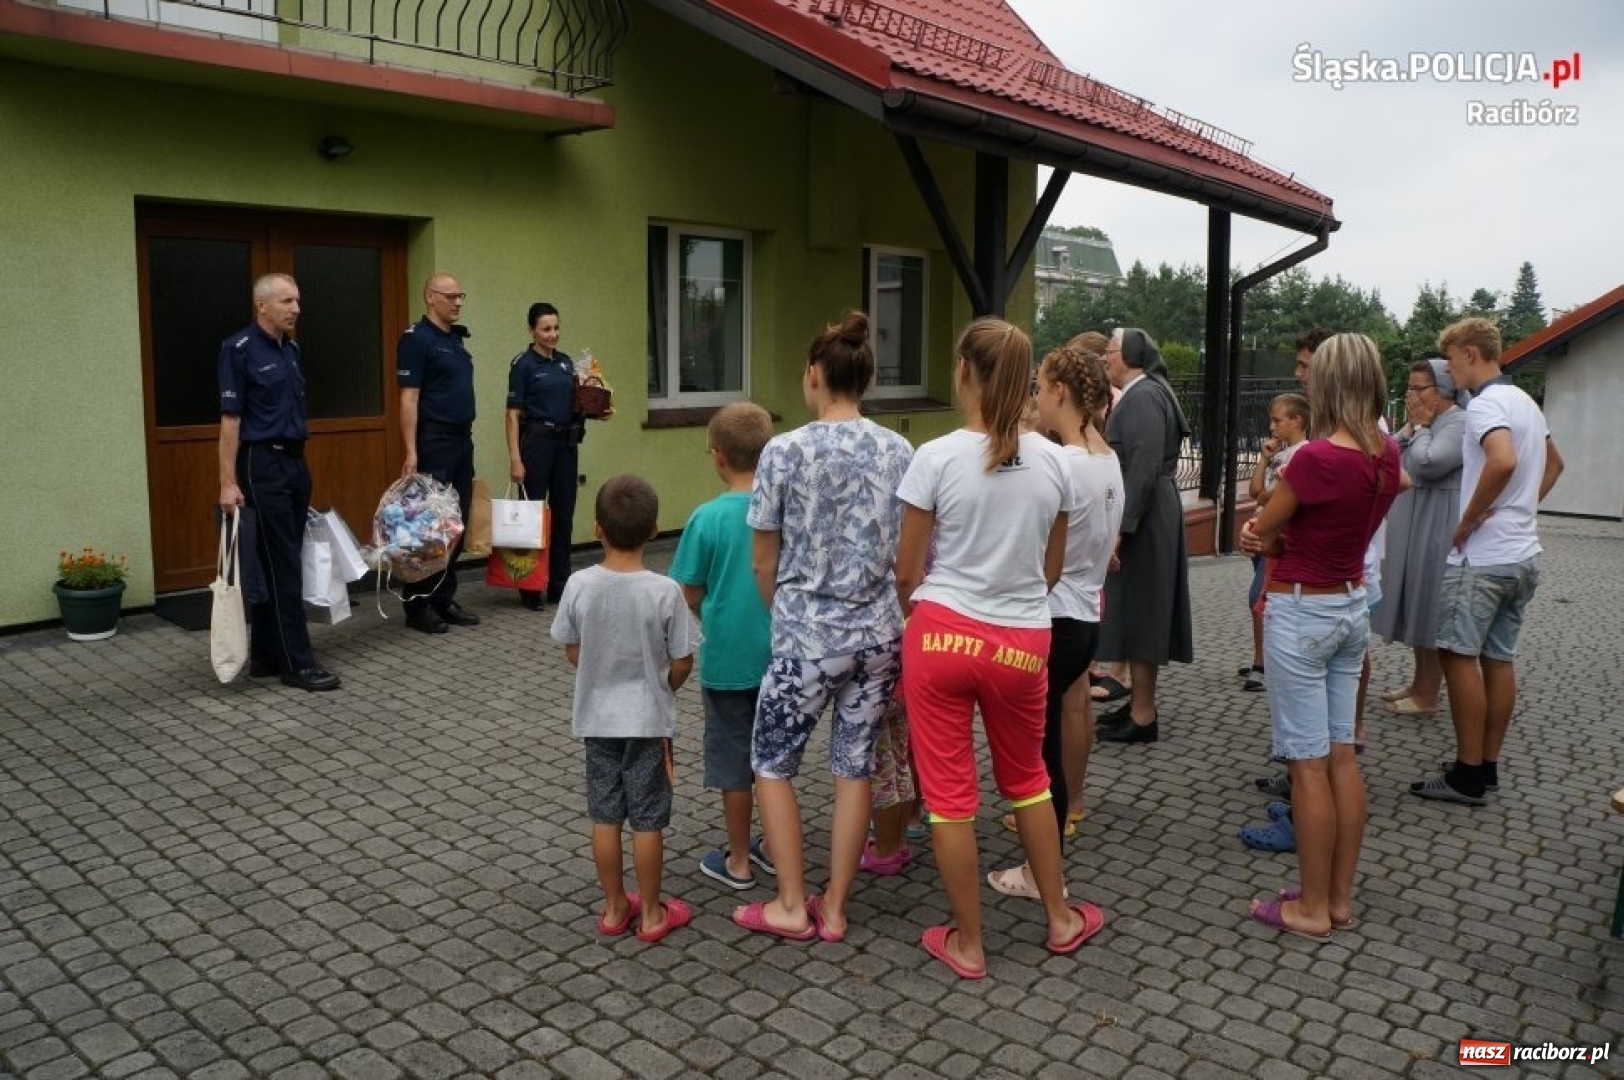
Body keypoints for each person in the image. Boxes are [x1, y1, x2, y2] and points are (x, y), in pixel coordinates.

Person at [897, 318, 1102, 980]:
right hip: (1022, 640)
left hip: (942, 637)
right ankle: (1061, 919)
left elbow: (906, 571)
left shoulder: (932, 458)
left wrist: (931, 614)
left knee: (950, 798)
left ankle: (969, 943)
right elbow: (1051, 570)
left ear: (963, 372)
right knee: (1030, 785)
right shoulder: (1057, 463)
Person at [732, 311, 913, 944]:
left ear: (814, 375)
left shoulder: (783, 450)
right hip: (879, 636)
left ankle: (789, 901)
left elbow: (763, 557)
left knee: (772, 762)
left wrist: (783, 614)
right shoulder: (900, 450)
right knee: (853, 765)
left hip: (808, 639)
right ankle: (834, 906)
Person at [1238, 333, 1405, 940]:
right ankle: (1335, 898)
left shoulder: (1314, 459)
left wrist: (1261, 536)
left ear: (1329, 383)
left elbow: (1266, 528)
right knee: (1342, 756)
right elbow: (1388, 495)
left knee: (1307, 766)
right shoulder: (1385, 453)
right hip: (1350, 606)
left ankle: (1308, 909)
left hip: (1302, 611)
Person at [987, 345, 1122, 901]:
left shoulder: (1060, 462)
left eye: (1040, 388)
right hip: (1085, 613)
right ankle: (1046, 862)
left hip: (1054, 617)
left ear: (1060, 392)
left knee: (1038, 758)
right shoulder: (1106, 457)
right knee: (1045, 751)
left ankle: (1044, 872)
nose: (1036, 399)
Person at [1411, 318, 1563, 806]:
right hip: (1522, 554)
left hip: (1482, 558)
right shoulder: (1525, 403)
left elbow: (1501, 461)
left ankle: (1468, 773)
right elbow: (1555, 463)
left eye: (1451, 358)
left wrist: (1469, 519)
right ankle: (1487, 765)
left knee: (1457, 656)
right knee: (1498, 659)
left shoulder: (1485, 405)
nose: (1449, 368)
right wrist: (1522, 510)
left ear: (1471, 354)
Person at [551, 474, 696, 942]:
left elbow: (573, 650)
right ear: (655, 530)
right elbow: (682, 660)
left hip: (597, 719)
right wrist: (663, 686)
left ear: (596, 528)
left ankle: (615, 908)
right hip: (649, 721)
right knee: (648, 818)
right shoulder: (664, 590)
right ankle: (652, 913)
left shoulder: (578, 584)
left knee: (605, 814)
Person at [216, 273, 340, 693]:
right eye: (287, 301)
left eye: (298, 300)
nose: (296, 308)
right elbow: (230, 421)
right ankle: (298, 663)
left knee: (279, 561)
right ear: (262, 306)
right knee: (284, 564)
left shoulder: (292, 349)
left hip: (293, 462)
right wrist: (227, 482)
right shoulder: (239, 349)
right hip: (260, 463)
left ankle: (267, 657)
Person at [669, 402, 775, 891]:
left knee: (735, 761)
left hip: (728, 658)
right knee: (776, 756)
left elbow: (685, 592)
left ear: (717, 457)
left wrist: (709, 614)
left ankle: (737, 859)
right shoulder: (783, 508)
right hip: (783, 656)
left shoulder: (705, 518)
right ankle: (776, 848)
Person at [1096, 328, 1194, 744]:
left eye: (1110, 351)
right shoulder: (1149, 392)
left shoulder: (1142, 396)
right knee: (1139, 613)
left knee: (1143, 612)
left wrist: (1122, 527)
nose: (1104, 358)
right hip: (1150, 513)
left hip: (1145, 517)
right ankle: (1139, 707)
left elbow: (1142, 467)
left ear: (1131, 356)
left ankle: (1143, 715)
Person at [1372, 359, 1466, 717]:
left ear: (1442, 389)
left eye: (1418, 389)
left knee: (1430, 608)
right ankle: (1417, 683)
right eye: (1408, 388)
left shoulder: (1458, 421)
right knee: (1416, 603)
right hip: (1417, 519)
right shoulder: (1430, 423)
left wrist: (1422, 427)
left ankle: (1428, 695)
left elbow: (1430, 462)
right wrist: (1413, 426)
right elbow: (1389, 453)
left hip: (1438, 525)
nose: (1410, 395)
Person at [396, 272, 482, 634]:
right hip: (434, 442)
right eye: (450, 296)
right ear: (430, 297)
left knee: (455, 523)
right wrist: (411, 450)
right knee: (428, 526)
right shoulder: (417, 340)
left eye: (461, 295)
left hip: (462, 441)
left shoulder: (455, 341)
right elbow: (409, 397)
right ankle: (417, 605)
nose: (458, 302)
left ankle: (443, 598)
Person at [506, 302, 592, 610]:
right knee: (531, 517)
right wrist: (516, 458)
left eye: (556, 328)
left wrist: (597, 404)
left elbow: (580, 404)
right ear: (531, 330)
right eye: (546, 329)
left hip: (566, 447)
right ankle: (530, 588)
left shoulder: (568, 364)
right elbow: (513, 415)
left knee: (564, 515)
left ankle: (559, 584)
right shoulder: (523, 365)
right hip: (536, 445)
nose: (553, 334)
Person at [1239, 393, 1311, 694]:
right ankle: (1264, 658)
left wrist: (1271, 489)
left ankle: (1262, 664)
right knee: (1260, 599)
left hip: (1276, 534)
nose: (1272, 426)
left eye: (1278, 420)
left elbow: (1266, 495)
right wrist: (1266, 459)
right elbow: (1256, 490)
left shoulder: (1302, 454)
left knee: (1259, 597)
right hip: (1262, 530)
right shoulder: (1281, 453)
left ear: (1297, 421)